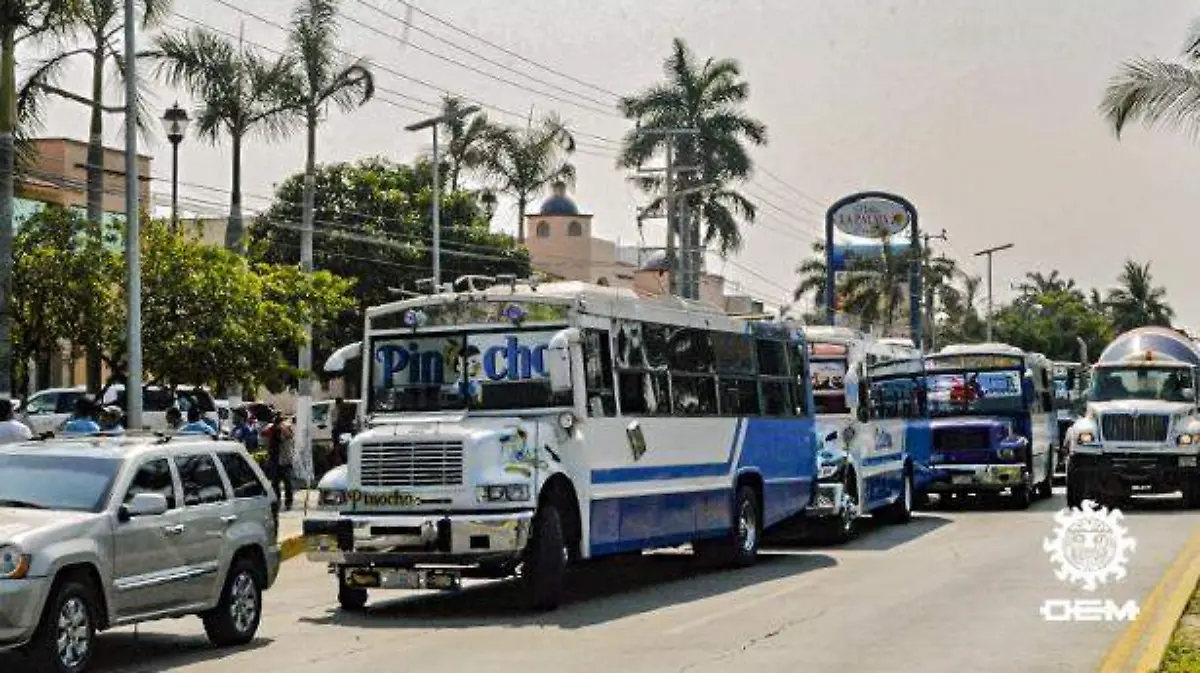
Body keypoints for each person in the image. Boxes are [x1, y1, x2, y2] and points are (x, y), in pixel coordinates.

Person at [264, 412, 294, 510]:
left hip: (284, 460)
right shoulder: (272, 430)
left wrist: (282, 427)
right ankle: (277, 502)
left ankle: (288, 502)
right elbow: (264, 433)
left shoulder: (286, 429)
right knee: (275, 484)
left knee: (287, 483)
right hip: (275, 460)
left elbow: (289, 436)